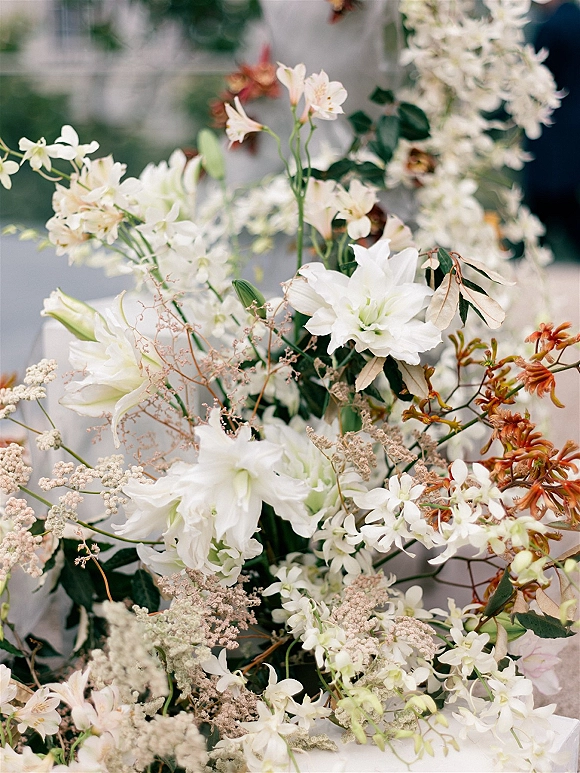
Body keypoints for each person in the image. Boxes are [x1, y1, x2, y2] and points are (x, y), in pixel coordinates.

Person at [525, 0, 580, 259]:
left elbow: (537, 81)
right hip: (571, 128)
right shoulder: (574, 20)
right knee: (563, 199)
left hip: (551, 128)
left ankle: (527, 255)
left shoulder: (551, 27)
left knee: (548, 199)